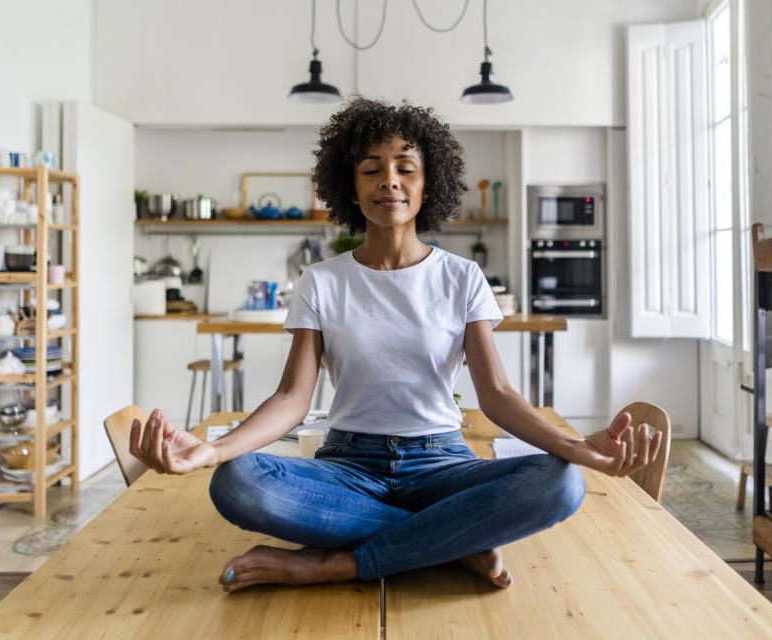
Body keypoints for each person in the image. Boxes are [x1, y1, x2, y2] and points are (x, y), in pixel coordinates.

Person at [130, 97, 662, 593]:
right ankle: (449, 543)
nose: (390, 181)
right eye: (371, 169)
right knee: (237, 482)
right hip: (347, 465)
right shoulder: (322, 281)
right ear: (351, 186)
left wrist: (574, 448)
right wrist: (212, 451)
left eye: (405, 168)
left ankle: (335, 563)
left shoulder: (462, 277)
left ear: (428, 183)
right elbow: (293, 399)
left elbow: (496, 394)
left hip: (442, 464)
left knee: (561, 484)